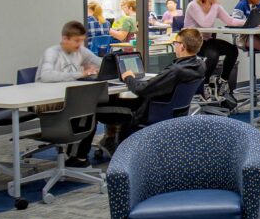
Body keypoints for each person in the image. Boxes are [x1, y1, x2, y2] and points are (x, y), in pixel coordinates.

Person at [79, 28, 208, 164]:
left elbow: (141, 89)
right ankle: (110, 139)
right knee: (115, 100)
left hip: (150, 112)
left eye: (176, 43)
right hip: (169, 111)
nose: (175, 45)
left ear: (182, 46)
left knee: (93, 107)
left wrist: (128, 77)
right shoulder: (199, 65)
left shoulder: (176, 70)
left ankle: (80, 157)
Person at [184, 0, 244, 108]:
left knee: (233, 50)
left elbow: (230, 21)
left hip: (207, 41)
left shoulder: (215, 6)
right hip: (193, 42)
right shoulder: (194, 5)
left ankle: (223, 81)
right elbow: (205, 23)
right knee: (213, 54)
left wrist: (250, 22)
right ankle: (204, 84)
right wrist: (215, 6)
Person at [36, 21, 101, 83]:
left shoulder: (81, 51)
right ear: (65, 39)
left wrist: (94, 71)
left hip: (68, 90)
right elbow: (46, 76)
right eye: (77, 41)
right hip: (46, 92)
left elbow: (101, 64)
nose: (80, 44)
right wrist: (82, 74)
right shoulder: (51, 52)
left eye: (82, 40)